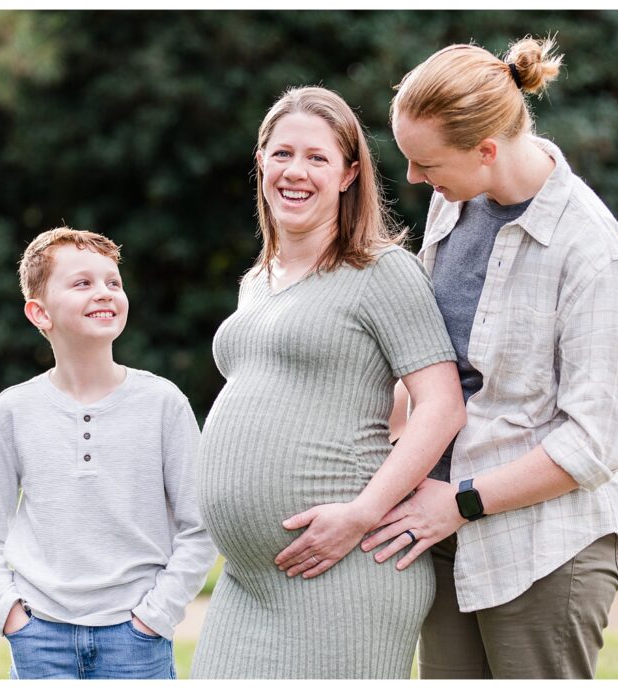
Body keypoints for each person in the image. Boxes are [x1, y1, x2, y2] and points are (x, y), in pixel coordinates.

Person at [361, 37, 618, 679]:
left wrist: (459, 500)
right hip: (443, 533)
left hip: (546, 546)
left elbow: (598, 442)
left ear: (486, 150)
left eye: (423, 161)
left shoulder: (591, 252)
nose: (412, 177)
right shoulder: (451, 201)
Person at [190, 86, 465, 679]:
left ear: (349, 174)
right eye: (282, 153)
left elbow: (442, 406)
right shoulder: (258, 280)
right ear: (260, 161)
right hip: (246, 581)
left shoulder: (381, 270)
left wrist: (363, 513)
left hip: (346, 569)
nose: (296, 171)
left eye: (317, 158)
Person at [0, 227, 216, 679]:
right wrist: (10, 615)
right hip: (40, 638)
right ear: (39, 313)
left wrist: (154, 618)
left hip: (136, 641)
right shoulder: (14, 409)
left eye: (113, 283)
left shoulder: (163, 403)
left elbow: (199, 528)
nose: (104, 293)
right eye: (82, 283)